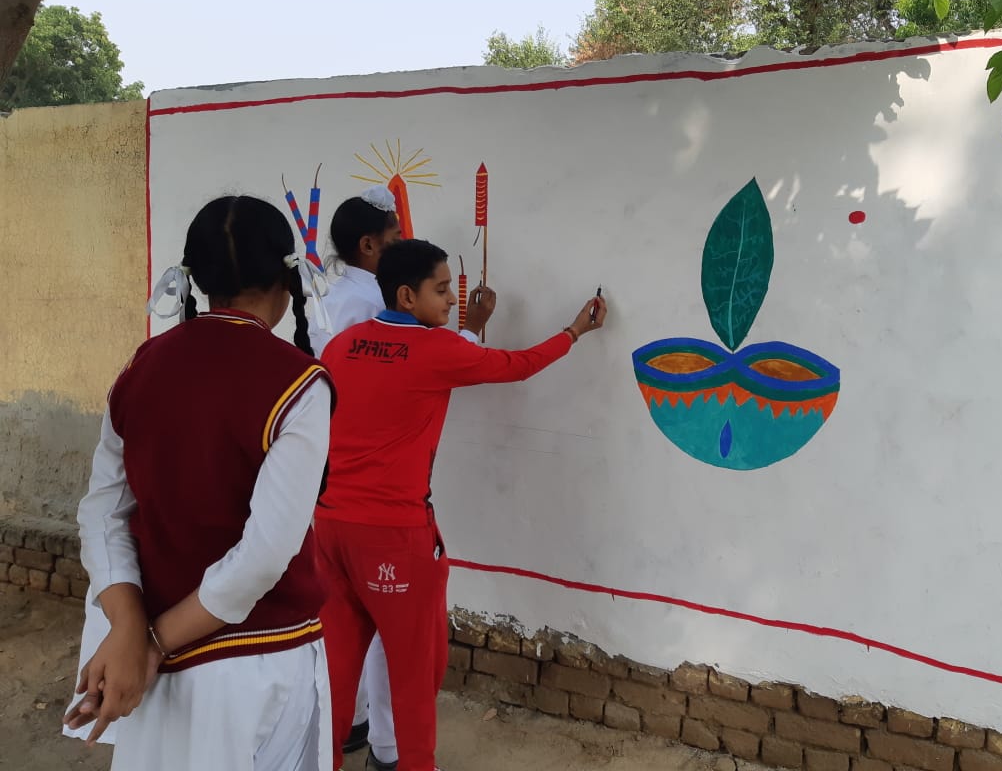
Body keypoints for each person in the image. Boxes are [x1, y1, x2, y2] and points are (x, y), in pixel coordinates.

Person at [65, 195, 335, 771]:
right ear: (286, 281)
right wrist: (150, 642)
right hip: (256, 667)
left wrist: (132, 631)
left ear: (194, 279)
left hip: (155, 671)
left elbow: (102, 513)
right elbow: (263, 557)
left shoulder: (142, 367)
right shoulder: (298, 383)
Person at [315, 239, 607, 771]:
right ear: (407, 294)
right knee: (413, 674)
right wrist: (573, 332)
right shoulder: (436, 351)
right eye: (443, 289)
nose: (454, 299)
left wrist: (471, 323)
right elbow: (515, 365)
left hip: (331, 530)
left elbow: (422, 366)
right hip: (394, 537)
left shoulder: (343, 346)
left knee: (335, 673)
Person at [311, 186, 496, 769]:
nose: (401, 245)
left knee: (351, 644)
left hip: (336, 505)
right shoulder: (367, 315)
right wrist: (475, 327)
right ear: (375, 252)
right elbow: (427, 359)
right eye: (395, 240)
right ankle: (390, 752)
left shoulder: (341, 309)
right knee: (400, 655)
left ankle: (358, 735)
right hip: (385, 516)